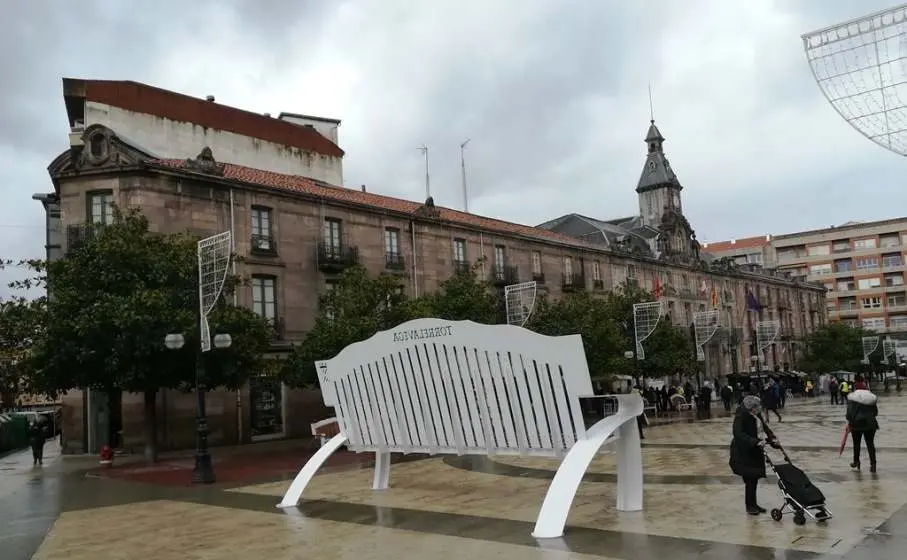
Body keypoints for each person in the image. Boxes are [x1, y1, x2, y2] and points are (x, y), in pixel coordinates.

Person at [729, 395, 769, 515]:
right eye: (757, 408)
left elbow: (765, 428)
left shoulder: (756, 414)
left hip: (755, 450)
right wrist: (754, 442)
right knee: (750, 479)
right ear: (751, 408)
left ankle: (753, 504)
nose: (759, 409)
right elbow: (738, 433)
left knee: (754, 479)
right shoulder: (741, 416)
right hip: (743, 452)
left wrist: (772, 438)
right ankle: (749, 506)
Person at [846, 380, 879, 473]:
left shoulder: (852, 399)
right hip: (871, 424)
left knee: (856, 444)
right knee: (870, 444)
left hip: (857, 424)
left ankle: (856, 462)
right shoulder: (871, 399)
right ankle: (873, 464)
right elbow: (876, 413)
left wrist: (849, 423)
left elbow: (849, 413)